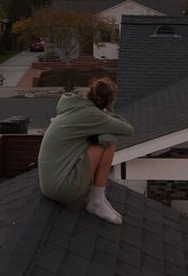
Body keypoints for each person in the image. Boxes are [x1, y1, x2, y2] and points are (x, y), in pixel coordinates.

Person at [38, 76, 133, 224]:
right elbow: (128, 129)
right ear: (109, 100)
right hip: (62, 188)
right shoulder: (93, 115)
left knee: (102, 136)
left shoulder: (75, 107)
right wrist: (109, 111)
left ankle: (98, 198)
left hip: (48, 184)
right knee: (108, 141)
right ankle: (96, 200)